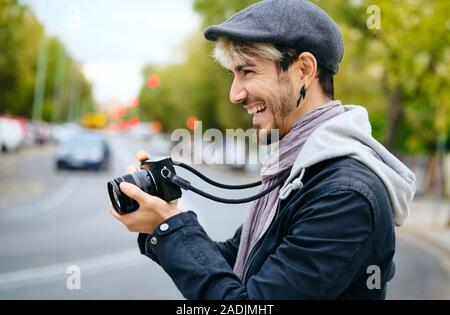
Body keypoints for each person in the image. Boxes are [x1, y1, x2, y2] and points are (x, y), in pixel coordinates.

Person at [109, 0, 415, 299]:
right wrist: (162, 219)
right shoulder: (296, 168)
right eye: (233, 75)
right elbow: (235, 263)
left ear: (303, 70)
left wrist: (169, 229)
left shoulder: (344, 195)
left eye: (247, 72)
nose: (234, 94)